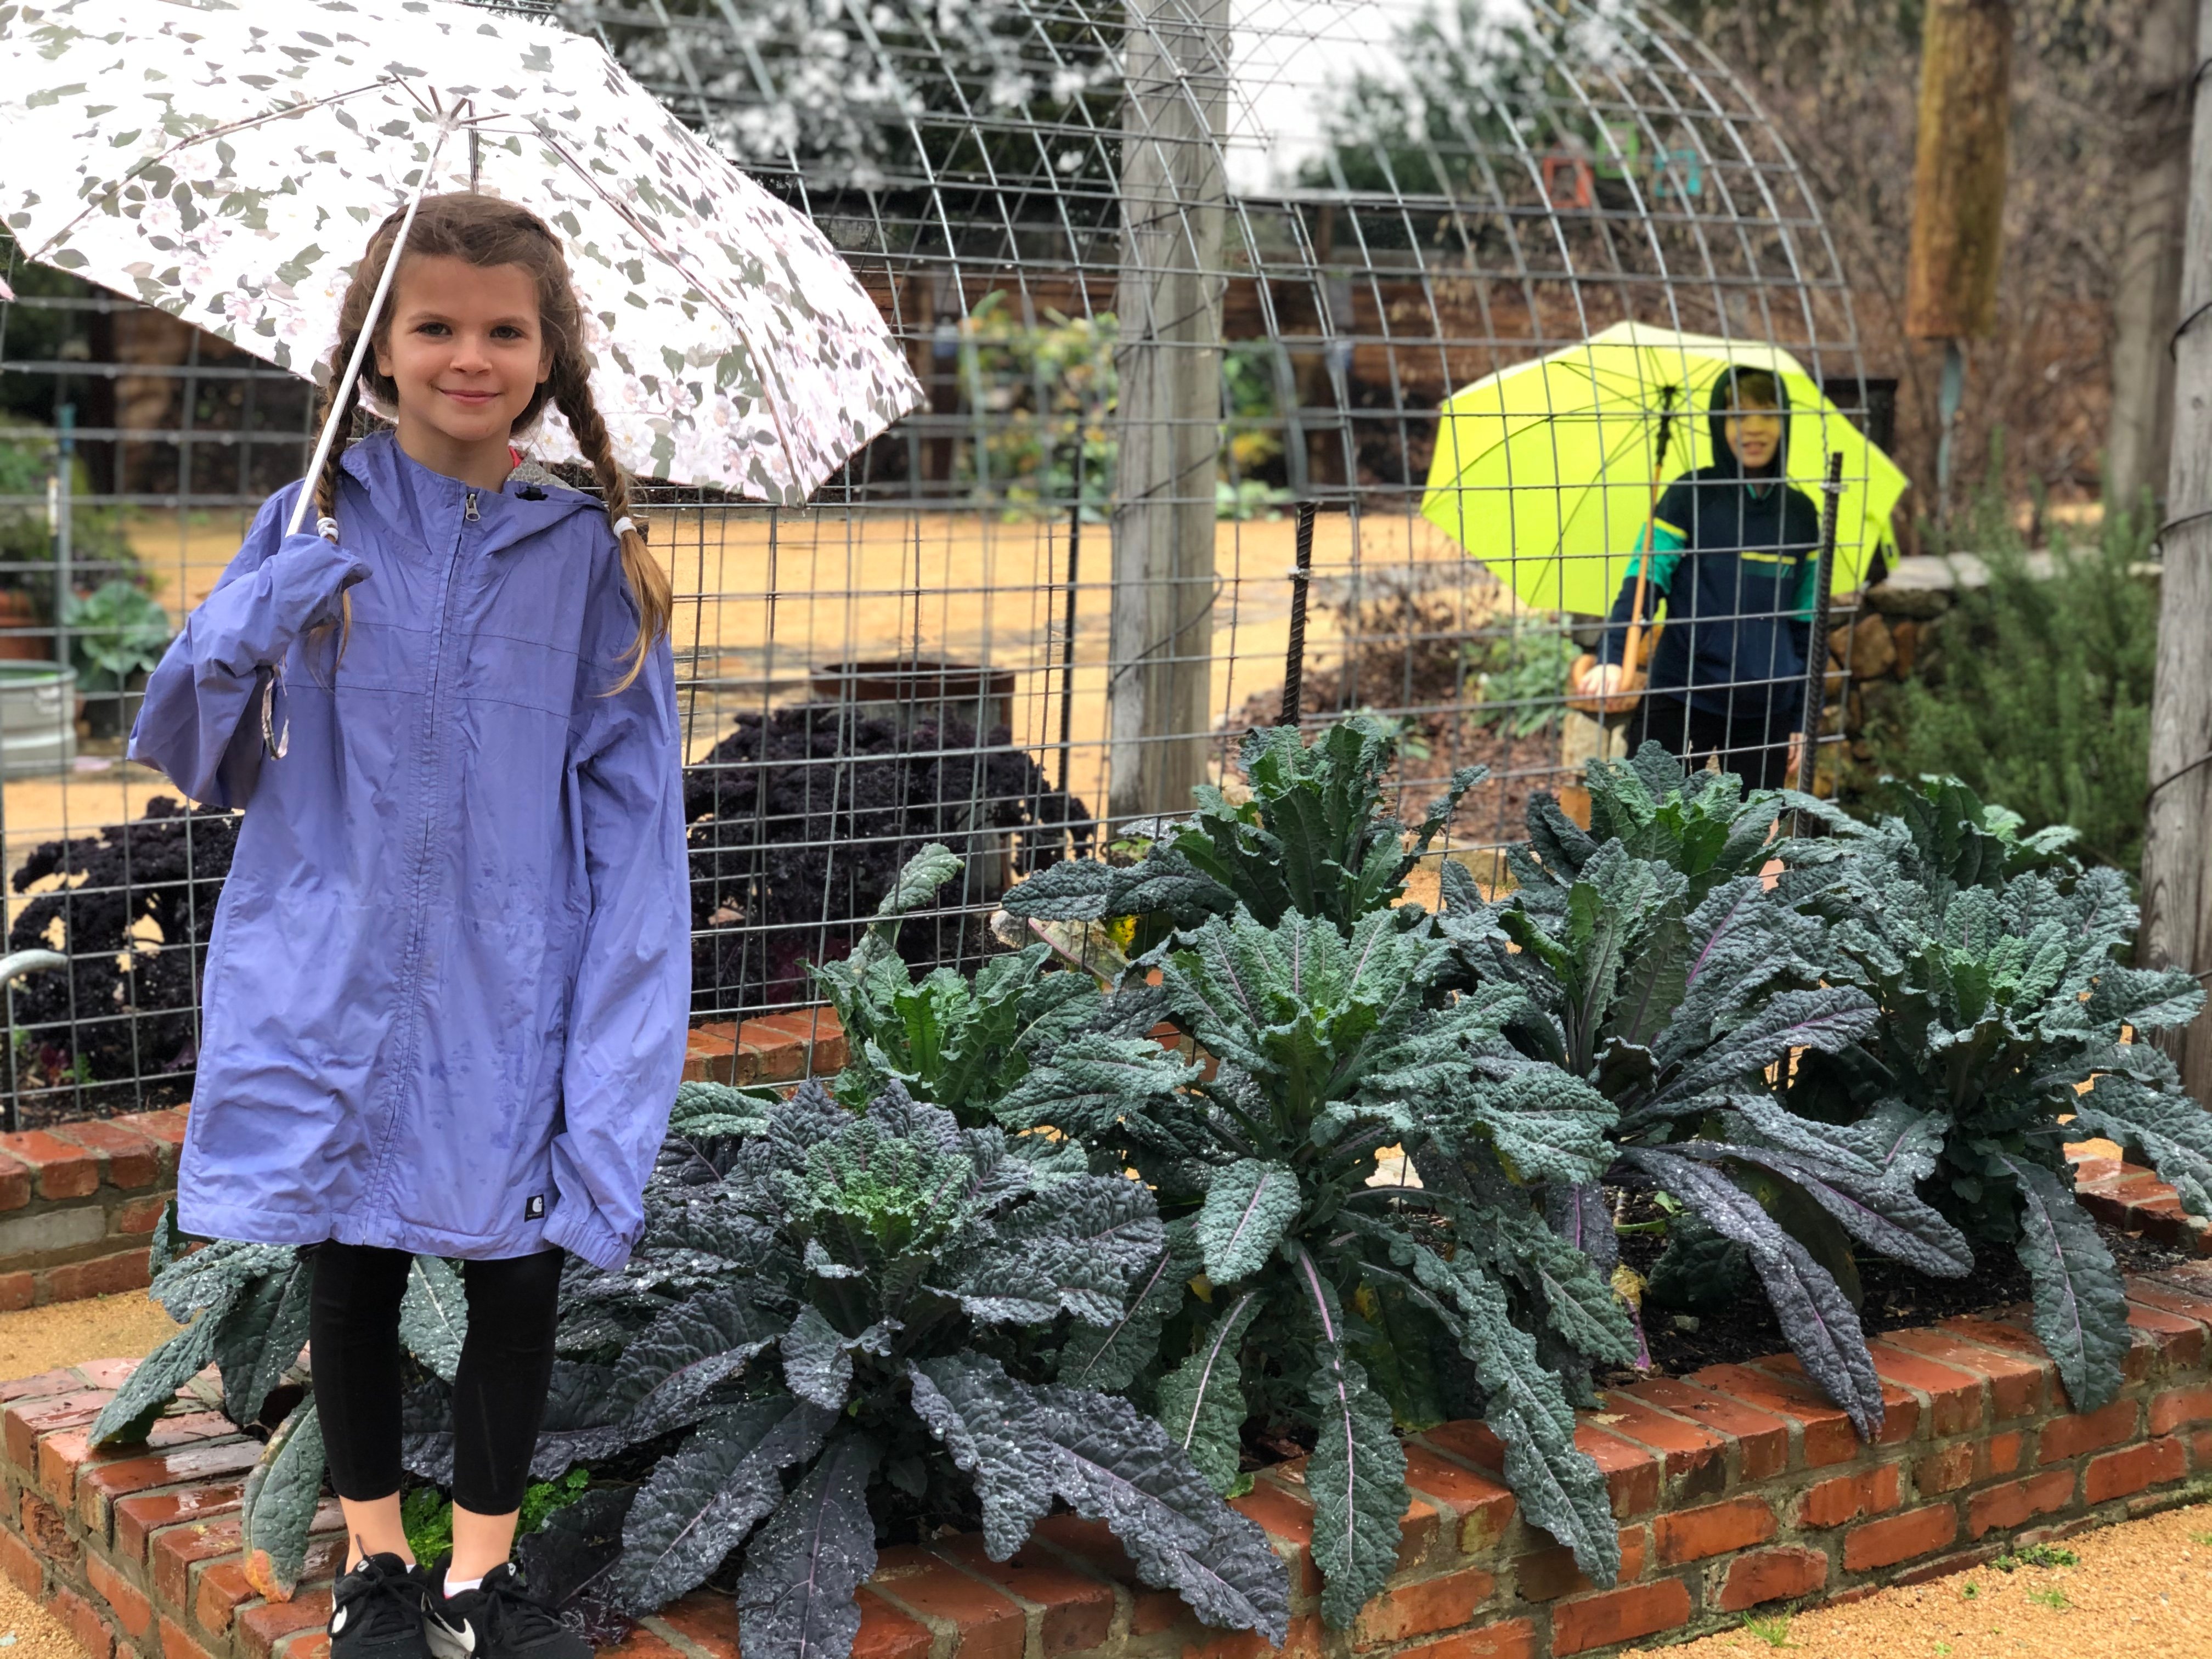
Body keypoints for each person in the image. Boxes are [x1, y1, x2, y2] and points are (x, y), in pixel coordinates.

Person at [129, 193, 688, 1659]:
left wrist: (619, 1057)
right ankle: (377, 1566)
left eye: (504, 330)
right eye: (435, 324)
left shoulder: (588, 561)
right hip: (330, 971)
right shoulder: (311, 518)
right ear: (380, 345)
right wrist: (255, 618)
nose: (468, 355)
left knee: (514, 1270)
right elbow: (199, 755)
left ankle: (483, 1580)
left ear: (548, 355)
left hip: (515, 982)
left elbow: (636, 838)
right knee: (351, 1259)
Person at [1577, 366, 1824, 789]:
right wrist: (1612, 654)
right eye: (1738, 415)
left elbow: (1805, 625)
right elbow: (1643, 583)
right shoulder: (1688, 494)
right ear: (1718, 423)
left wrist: (1799, 718)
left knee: (1753, 843)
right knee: (1643, 822)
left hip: (1766, 707)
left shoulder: (1801, 515)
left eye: (1768, 414)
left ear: (1785, 424)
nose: (1754, 428)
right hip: (1682, 692)